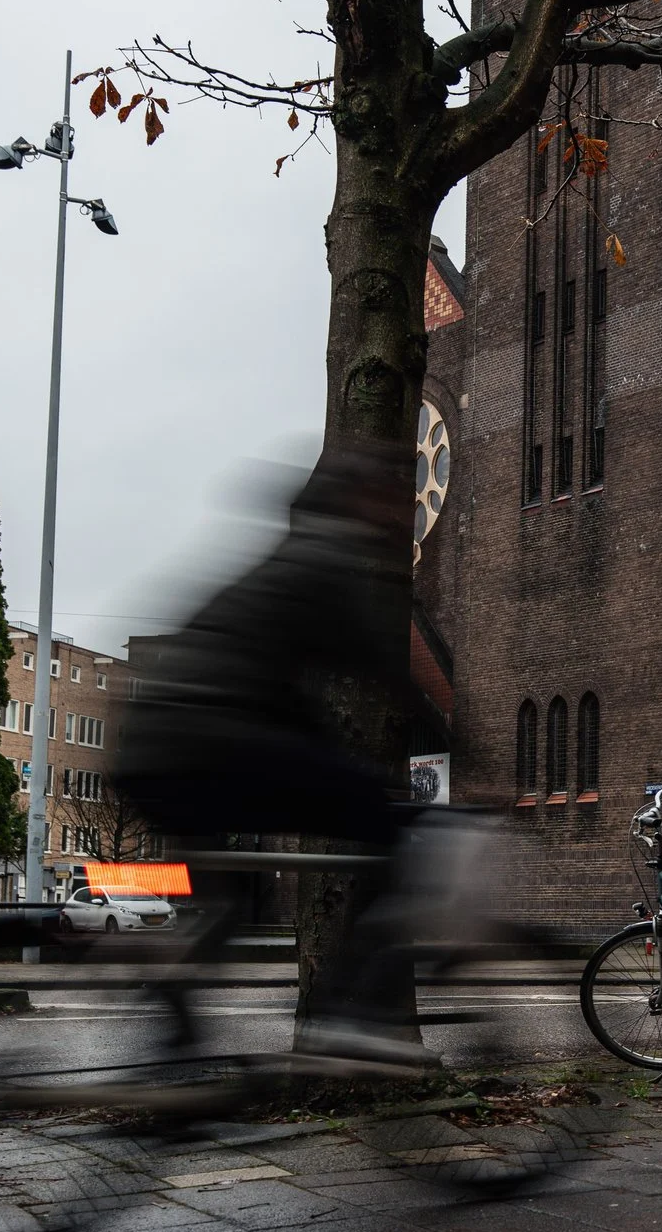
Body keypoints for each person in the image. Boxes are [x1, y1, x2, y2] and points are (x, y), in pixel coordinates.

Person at [116, 448, 438, 1066]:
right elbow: (377, 670)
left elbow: (290, 700)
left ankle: (177, 1016)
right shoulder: (323, 564)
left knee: (226, 904)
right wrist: (477, 749)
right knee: (385, 826)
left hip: (158, 751)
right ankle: (352, 1012)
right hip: (205, 744)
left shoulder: (276, 570)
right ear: (353, 507)